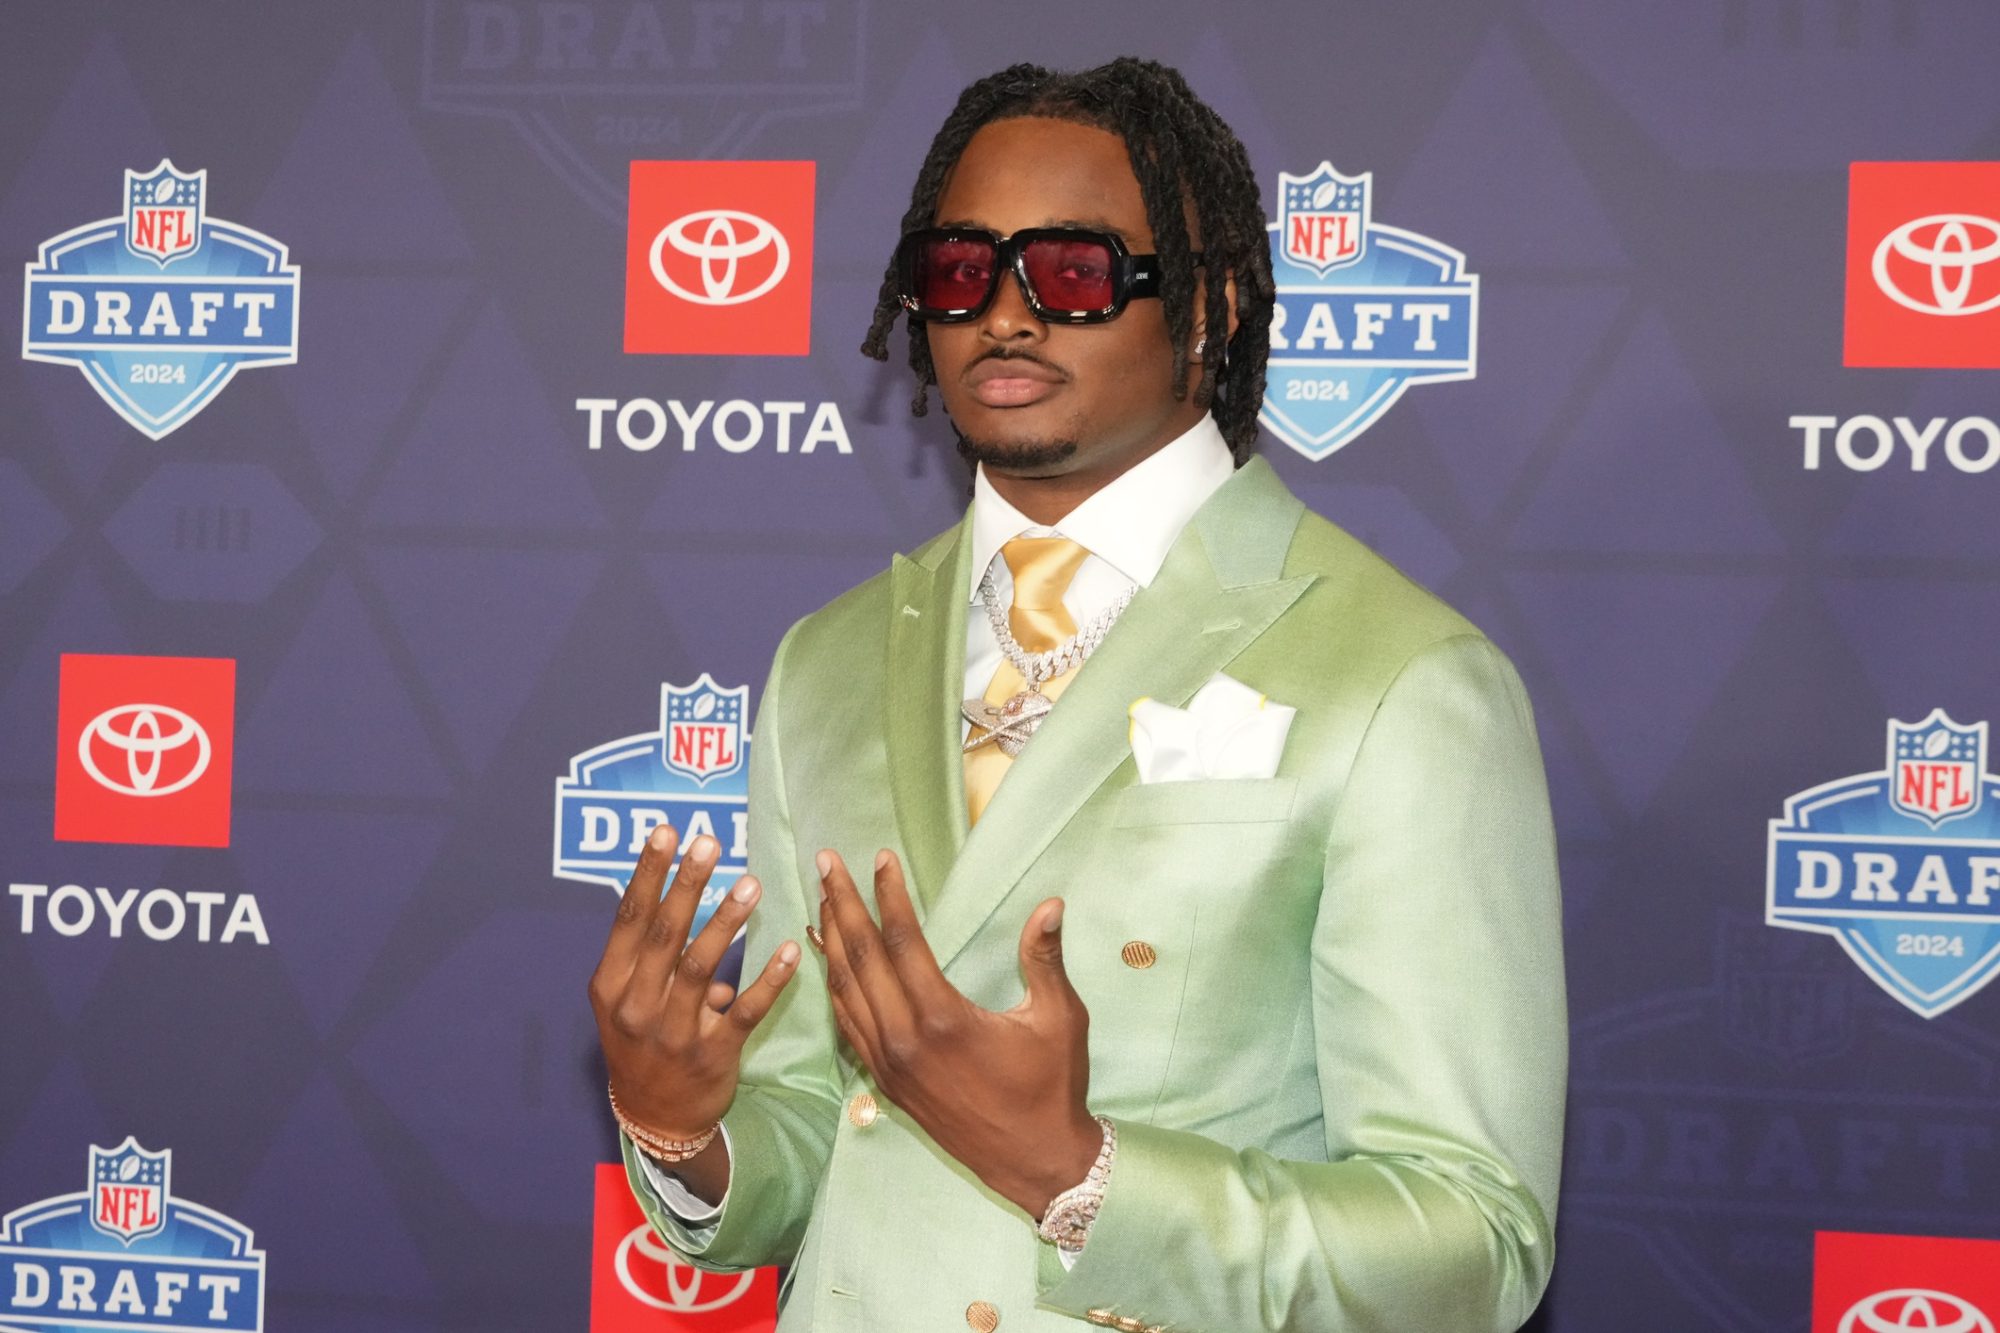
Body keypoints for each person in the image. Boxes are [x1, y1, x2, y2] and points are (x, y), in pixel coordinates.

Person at [588, 58, 1566, 1333]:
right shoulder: (823, 662)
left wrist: (1078, 1175)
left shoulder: (1403, 679)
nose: (1003, 312)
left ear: (1208, 305)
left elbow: (1473, 1245)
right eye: (957, 269)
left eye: (1072, 270)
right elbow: (822, 1148)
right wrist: (682, 1126)